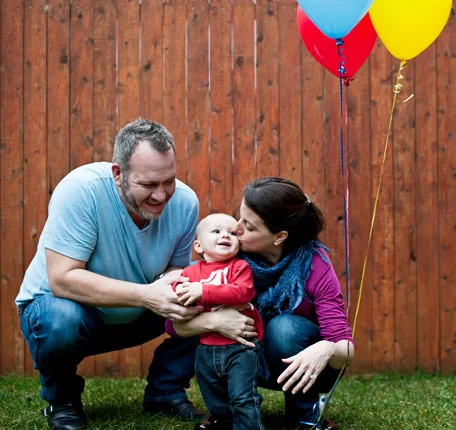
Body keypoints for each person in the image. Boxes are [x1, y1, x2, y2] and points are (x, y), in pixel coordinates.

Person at [15, 118, 207, 430]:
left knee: (209, 294)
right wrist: (147, 294)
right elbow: (62, 279)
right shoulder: (81, 191)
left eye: (168, 181)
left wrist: (180, 290)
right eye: (148, 185)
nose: (161, 195)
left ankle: (165, 391)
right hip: (69, 315)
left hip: (138, 313)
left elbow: (176, 269)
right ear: (118, 174)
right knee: (60, 319)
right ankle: (62, 400)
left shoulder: (185, 202)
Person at [169, 177, 355, 430]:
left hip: (305, 366)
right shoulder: (226, 256)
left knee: (284, 328)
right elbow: (173, 325)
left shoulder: (314, 264)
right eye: (240, 217)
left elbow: (345, 347)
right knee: (206, 312)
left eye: (248, 226)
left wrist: (328, 348)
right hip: (239, 356)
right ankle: (222, 414)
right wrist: (213, 321)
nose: (235, 228)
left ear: (279, 236)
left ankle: (304, 416)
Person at [174, 213, 265, 430]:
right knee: (213, 395)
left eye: (232, 233)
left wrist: (203, 291)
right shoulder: (189, 273)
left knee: (242, 396)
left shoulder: (239, 268)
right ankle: (224, 422)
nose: (225, 235)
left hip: (240, 347)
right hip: (205, 348)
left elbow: (242, 292)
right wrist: (178, 291)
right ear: (198, 245)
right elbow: (178, 297)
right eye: (216, 231)